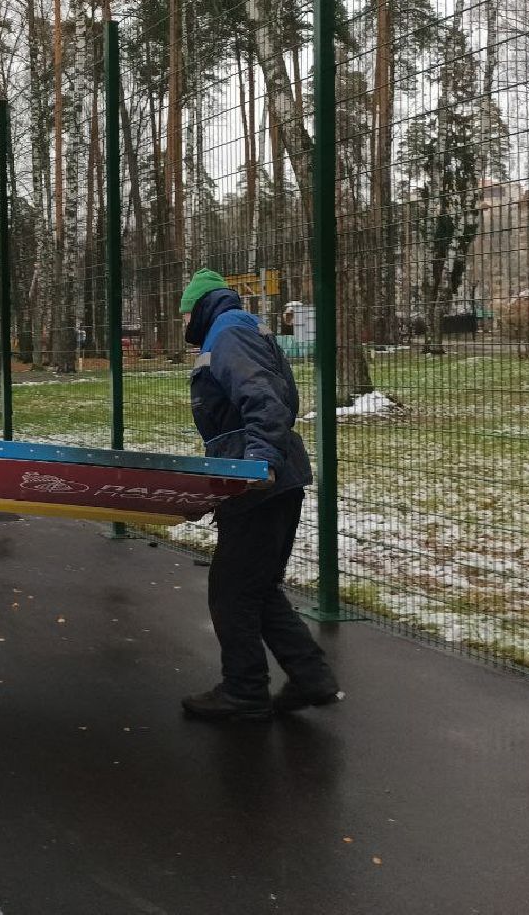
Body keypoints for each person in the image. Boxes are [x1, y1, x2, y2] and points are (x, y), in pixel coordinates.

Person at [178, 269, 342, 721]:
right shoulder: (238, 328)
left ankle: (244, 691)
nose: (183, 322)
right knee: (256, 586)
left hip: (257, 480)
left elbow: (263, 398)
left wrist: (259, 462)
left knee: (231, 591)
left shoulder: (228, 333)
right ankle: (311, 678)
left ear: (199, 305)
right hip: (268, 475)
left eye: (184, 312)